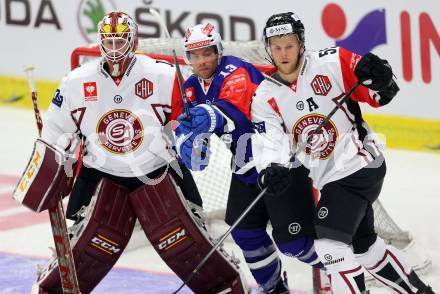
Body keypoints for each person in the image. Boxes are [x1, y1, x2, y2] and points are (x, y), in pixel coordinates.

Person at [26, 11, 246, 293]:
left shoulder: (163, 75)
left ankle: (225, 285)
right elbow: (56, 131)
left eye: (121, 42)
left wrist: (192, 143)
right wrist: (53, 161)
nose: (115, 49)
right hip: (100, 175)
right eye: (109, 42)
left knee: (194, 249)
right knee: (82, 255)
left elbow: (184, 124)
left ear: (133, 40)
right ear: (101, 42)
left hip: (158, 172)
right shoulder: (76, 81)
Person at [251, 12, 435, 293]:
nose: (283, 53)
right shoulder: (265, 95)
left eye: (288, 45)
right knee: (365, 248)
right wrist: (271, 168)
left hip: (359, 164)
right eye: (276, 46)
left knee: (329, 245)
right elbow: (270, 142)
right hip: (329, 178)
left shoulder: (331, 61)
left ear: (301, 43)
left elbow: (379, 92)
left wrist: (383, 80)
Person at [174, 23, 323, 293]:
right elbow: (195, 135)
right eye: (194, 56)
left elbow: (232, 111)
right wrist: (192, 147)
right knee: (245, 233)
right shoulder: (191, 87)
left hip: (279, 163)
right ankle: (274, 288)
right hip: (245, 166)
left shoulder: (235, 70)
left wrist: (207, 118)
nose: (201, 61)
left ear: (218, 51)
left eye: (206, 53)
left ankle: (350, 270)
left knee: (296, 244)